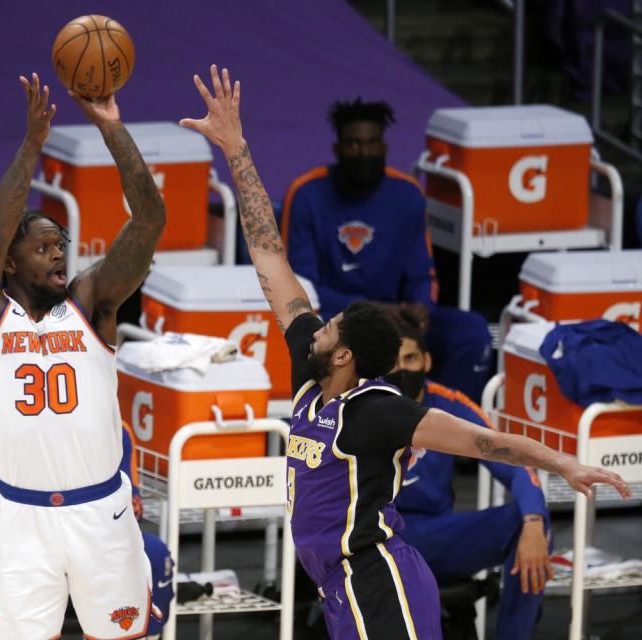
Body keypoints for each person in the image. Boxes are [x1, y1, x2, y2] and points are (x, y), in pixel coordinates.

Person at [179, 64, 630, 639]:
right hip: (341, 584)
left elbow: (483, 441)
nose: (316, 324)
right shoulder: (309, 375)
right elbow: (269, 255)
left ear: (345, 356)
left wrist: (563, 462)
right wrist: (237, 149)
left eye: (329, 326)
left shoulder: (375, 410)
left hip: (379, 579)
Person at [0, 73, 166, 639]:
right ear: (11, 264)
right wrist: (30, 147)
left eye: (60, 246)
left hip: (104, 514)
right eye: (41, 247)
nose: (57, 255)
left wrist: (112, 128)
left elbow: (149, 220)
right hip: (23, 519)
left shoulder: (92, 304)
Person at [280, 98, 493, 401]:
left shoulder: (407, 193)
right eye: (354, 144)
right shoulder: (306, 194)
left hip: (396, 320)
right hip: (333, 323)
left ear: (385, 147)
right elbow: (300, 290)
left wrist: (420, 310)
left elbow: (422, 275)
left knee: (471, 332)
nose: (364, 152)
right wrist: (369, 312)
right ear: (338, 150)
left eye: (372, 143)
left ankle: (444, 422)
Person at [385, 312, 550, 639]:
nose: (402, 370)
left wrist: (533, 521)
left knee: (531, 525)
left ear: (427, 361)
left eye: (411, 358)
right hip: (379, 539)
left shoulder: (449, 405)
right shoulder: (363, 406)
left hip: (435, 537)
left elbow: (516, 463)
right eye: (393, 362)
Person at [0, 417, 173, 639]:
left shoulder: (112, 426)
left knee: (152, 551)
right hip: (17, 550)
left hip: (92, 548)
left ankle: (140, 634)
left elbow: (131, 511)